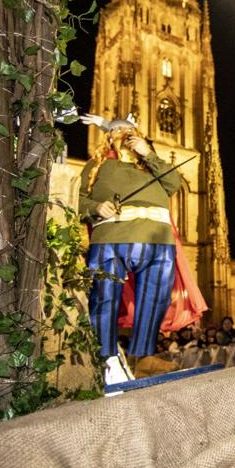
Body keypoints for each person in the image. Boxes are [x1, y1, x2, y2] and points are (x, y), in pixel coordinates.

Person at [78, 116, 181, 386]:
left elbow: (174, 184)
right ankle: (105, 359)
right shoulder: (97, 166)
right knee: (104, 298)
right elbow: (74, 199)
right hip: (112, 236)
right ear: (109, 137)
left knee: (156, 298)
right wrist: (94, 208)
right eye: (118, 129)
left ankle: (143, 357)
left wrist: (150, 154)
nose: (125, 132)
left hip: (158, 239)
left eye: (130, 129)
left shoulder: (150, 165)